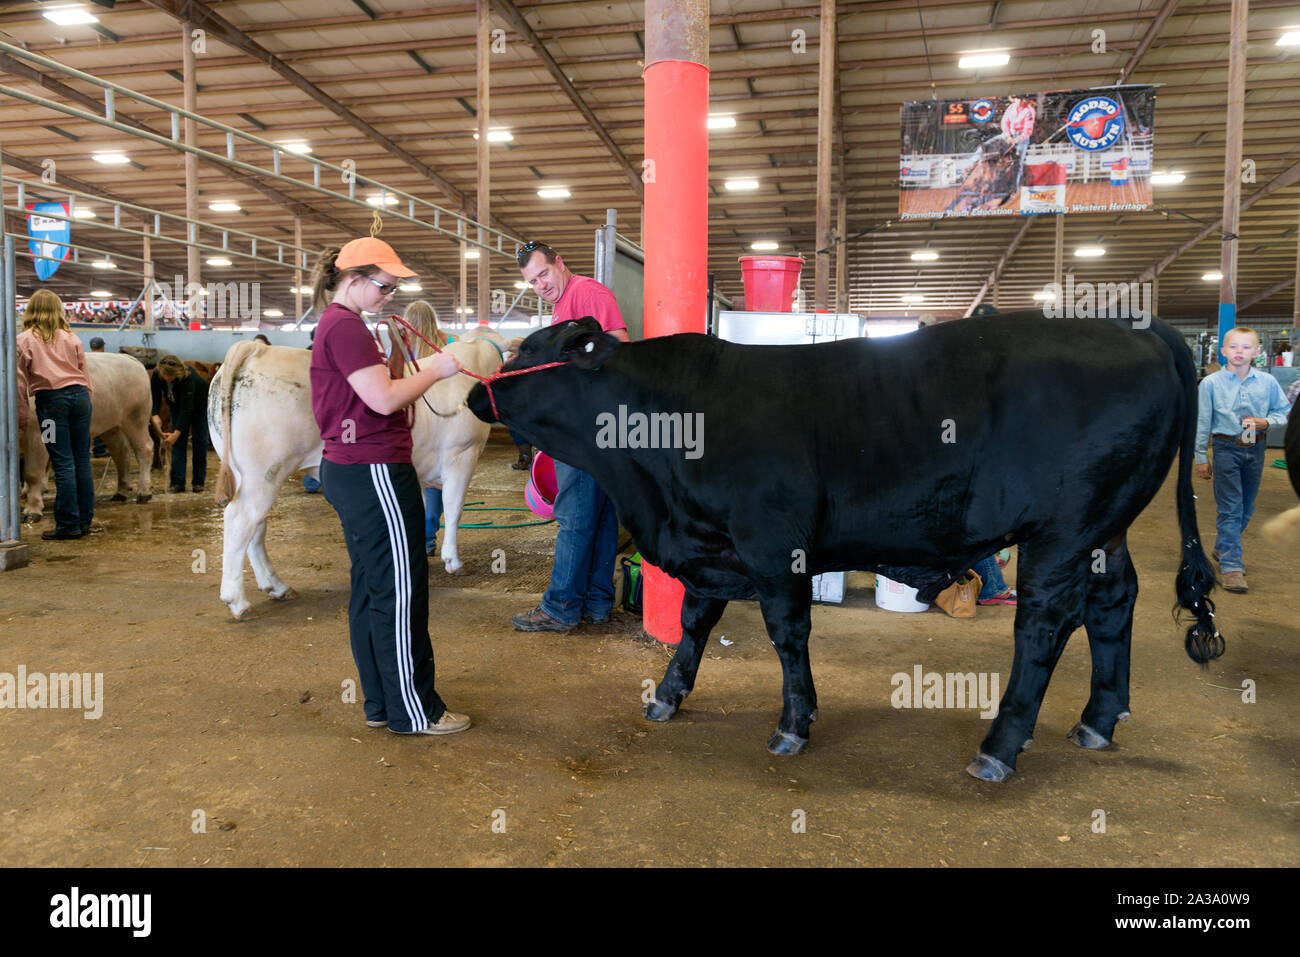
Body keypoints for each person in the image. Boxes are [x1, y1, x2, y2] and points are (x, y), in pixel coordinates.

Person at [308, 237, 469, 736]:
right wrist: (437, 370)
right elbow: (381, 400)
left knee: (373, 587)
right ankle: (416, 711)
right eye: (383, 286)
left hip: (351, 467)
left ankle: (381, 702)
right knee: (400, 589)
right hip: (374, 468)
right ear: (353, 280)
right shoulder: (347, 327)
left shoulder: (341, 325)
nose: (388, 296)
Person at [511, 241, 630, 632]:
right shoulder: (562, 305)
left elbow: (620, 350)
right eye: (532, 281)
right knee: (599, 515)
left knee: (574, 516)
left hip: (586, 428)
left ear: (560, 263)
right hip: (594, 425)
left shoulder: (588, 294)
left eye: (543, 274)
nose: (540, 285)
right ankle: (596, 603)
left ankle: (560, 606)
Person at [1195, 327, 1290, 593]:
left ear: (1257, 353)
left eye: (1246, 347)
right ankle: (1232, 566)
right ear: (1223, 352)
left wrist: (1266, 422)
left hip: (1256, 448)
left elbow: (1283, 411)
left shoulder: (1268, 382)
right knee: (1231, 508)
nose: (1240, 352)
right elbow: (1202, 421)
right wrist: (1201, 455)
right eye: (1234, 346)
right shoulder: (1210, 384)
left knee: (1247, 509)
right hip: (1226, 448)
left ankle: (1222, 546)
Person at [16, 289, 95, 540]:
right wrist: (86, 404)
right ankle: (84, 520)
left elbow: (19, 385)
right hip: (80, 399)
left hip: (51, 404)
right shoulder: (72, 339)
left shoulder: (24, 340)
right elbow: (86, 376)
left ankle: (68, 524)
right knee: (81, 458)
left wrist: (20, 418)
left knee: (61, 461)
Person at [402, 300, 453, 556]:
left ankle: (418, 539)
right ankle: (426, 539)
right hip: (442, 424)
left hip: (415, 423)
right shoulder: (450, 343)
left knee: (415, 485)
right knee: (435, 486)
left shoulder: (403, 347)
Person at [151, 355, 211, 492]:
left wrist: (176, 433)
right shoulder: (157, 375)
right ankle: (177, 483)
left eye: (170, 376)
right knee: (177, 444)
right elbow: (155, 397)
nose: (166, 378)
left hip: (199, 405)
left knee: (199, 441)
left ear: (177, 372)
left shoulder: (188, 377)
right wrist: (155, 415)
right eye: (164, 375)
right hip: (176, 404)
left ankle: (198, 481)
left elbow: (187, 409)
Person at [88, 338, 109, 458]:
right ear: (103, 347)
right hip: (102, 393)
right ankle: (100, 448)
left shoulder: (87, 358)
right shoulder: (106, 360)